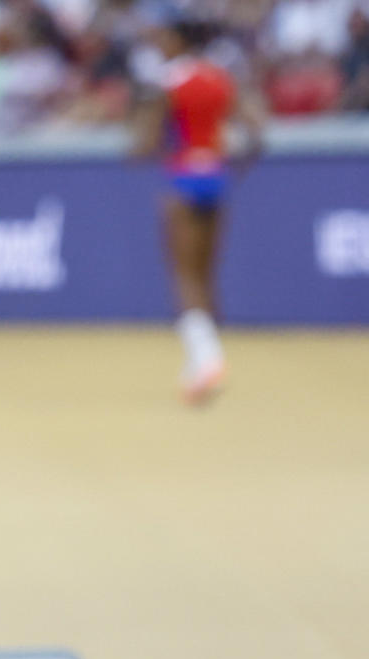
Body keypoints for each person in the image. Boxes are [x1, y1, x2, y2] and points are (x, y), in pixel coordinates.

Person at [135, 16, 263, 405]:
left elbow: (147, 141)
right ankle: (200, 364)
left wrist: (155, 148)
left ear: (177, 40)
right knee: (206, 274)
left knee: (185, 275)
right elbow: (255, 133)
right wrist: (227, 165)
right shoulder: (221, 78)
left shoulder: (169, 82)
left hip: (184, 178)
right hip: (216, 177)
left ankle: (207, 360)